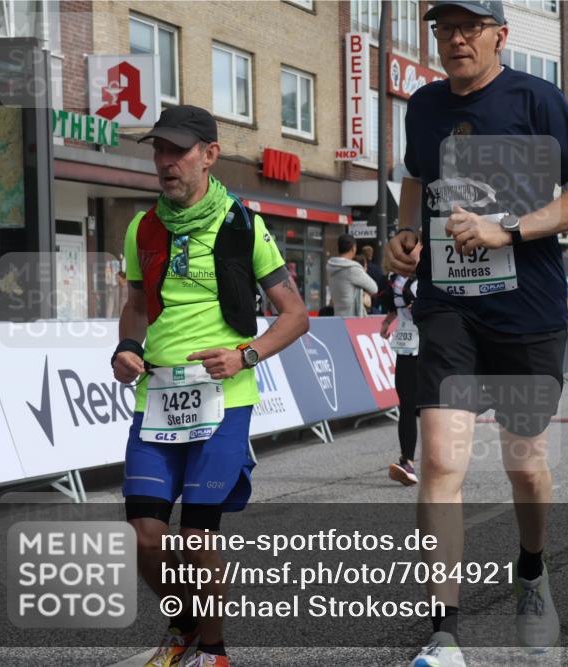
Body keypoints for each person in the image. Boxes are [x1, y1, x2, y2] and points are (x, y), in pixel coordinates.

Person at [386, 1, 568, 663]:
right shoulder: (423, 107)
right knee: (440, 459)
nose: (454, 40)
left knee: (526, 467)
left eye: (468, 28)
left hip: (526, 310)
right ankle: (443, 633)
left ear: (499, 36)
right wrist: (403, 234)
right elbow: (415, 180)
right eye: (443, 28)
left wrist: (505, 228)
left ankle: (533, 569)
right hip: (449, 306)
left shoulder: (537, 100)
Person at [112, 105, 308, 667]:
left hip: (222, 401)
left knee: (197, 540)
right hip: (156, 399)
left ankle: (214, 651)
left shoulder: (243, 223)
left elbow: (295, 316)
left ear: (210, 155)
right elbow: (133, 305)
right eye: (159, 151)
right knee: (144, 538)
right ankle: (184, 623)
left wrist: (246, 354)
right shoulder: (141, 227)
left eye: (178, 151)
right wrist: (127, 348)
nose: (166, 162)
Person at [380, 249, 423, 486]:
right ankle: (408, 462)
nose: (405, 257)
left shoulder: (430, 275)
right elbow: (393, 304)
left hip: (432, 347)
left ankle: (446, 460)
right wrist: (387, 321)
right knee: (406, 404)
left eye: (410, 252)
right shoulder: (395, 279)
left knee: (431, 407)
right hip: (406, 347)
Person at [327, 233, 378, 317]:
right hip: (353, 318)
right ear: (353, 248)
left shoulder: (331, 266)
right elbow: (374, 288)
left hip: (338, 315)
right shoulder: (353, 269)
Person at [361, 244, 388, 313]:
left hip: (363, 300)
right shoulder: (377, 269)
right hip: (375, 301)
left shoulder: (359, 269)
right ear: (372, 255)